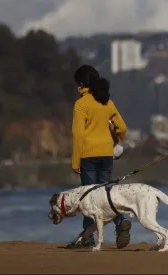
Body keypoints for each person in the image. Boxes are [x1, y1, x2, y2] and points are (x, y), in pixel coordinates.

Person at [67, 64, 131, 249]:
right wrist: (115, 141)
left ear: (81, 84)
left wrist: (75, 160)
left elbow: (78, 134)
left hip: (88, 155)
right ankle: (120, 223)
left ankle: (87, 238)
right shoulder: (106, 101)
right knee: (107, 194)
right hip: (106, 154)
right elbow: (123, 127)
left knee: (89, 197)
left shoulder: (81, 104)